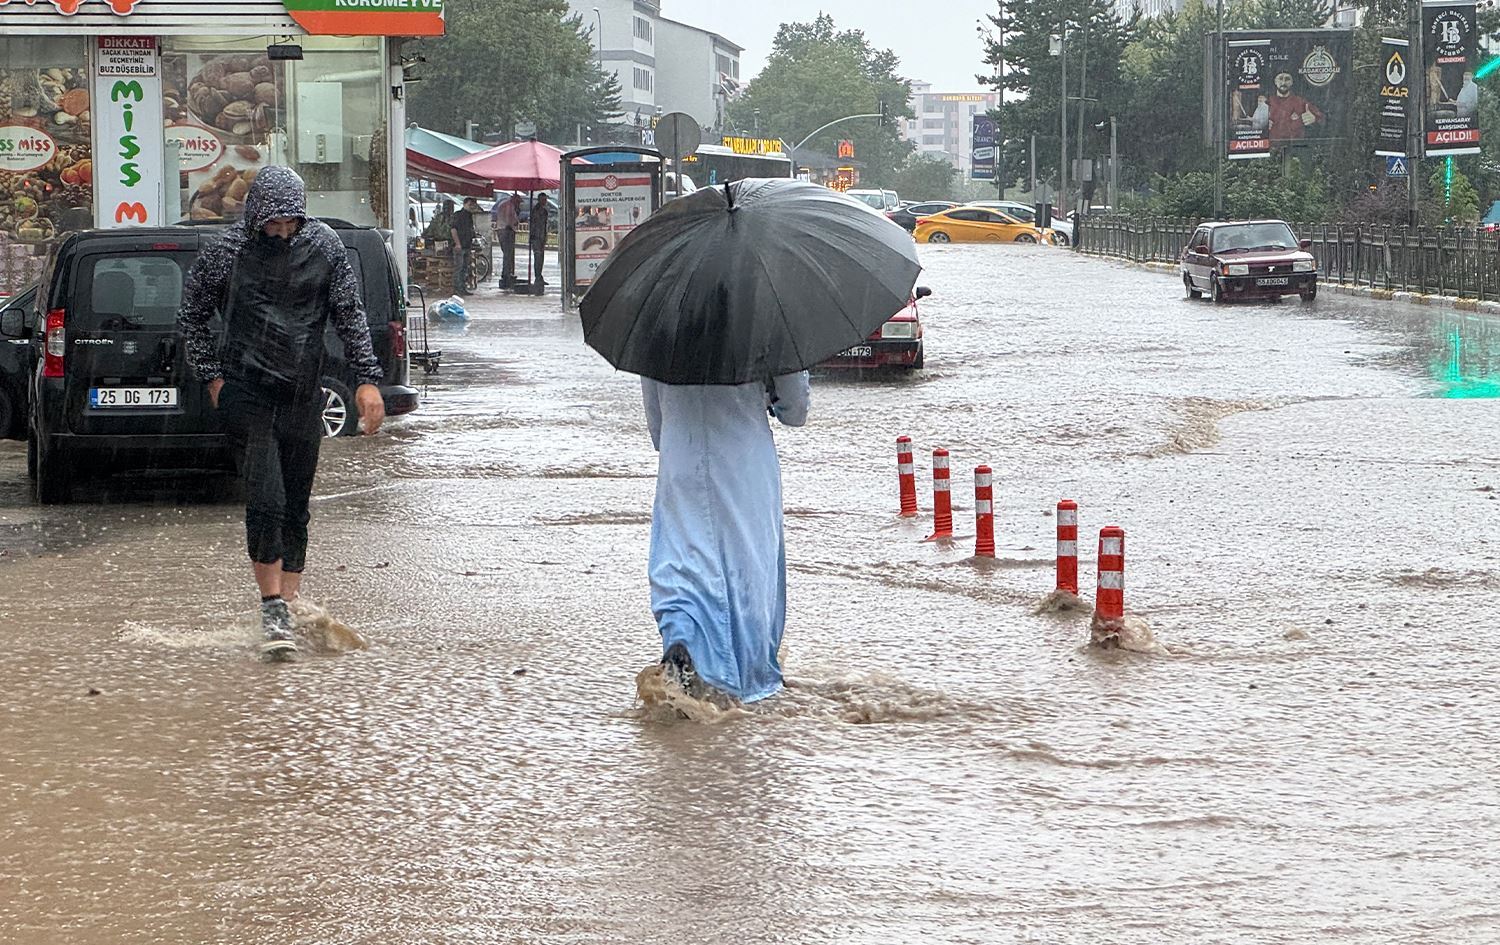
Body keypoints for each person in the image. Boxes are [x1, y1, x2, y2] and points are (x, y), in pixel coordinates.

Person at [178, 166, 386, 661]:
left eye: (291, 221)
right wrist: (213, 379)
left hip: (302, 392)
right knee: (266, 499)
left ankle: (289, 609)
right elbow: (192, 317)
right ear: (255, 215)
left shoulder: (325, 246)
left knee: (296, 504)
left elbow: (349, 314)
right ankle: (271, 604)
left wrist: (366, 379)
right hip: (245, 392)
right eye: (273, 222)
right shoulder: (226, 252)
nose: (282, 230)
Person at [643, 372, 811, 703]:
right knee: (746, 570)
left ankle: (683, 639)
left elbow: (657, 428)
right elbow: (796, 410)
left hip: (682, 458)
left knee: (681, 561)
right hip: (743, 462)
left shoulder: (658, 325)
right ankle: (745, 684)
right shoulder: (764, 322)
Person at [1267, 71, 1324, 141]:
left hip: (1295, 147)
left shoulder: (1301, 102)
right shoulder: (1267, 102)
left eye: (1287, 79)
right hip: (1272, 147)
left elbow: (1322, 118)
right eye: (1280, 79)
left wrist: (1315, 118)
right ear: (1275, 82)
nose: (1283, 83)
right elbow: (1251, 122)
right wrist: (1259, 125)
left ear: (1292, 82)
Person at [491, 192, 522, 289]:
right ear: (515, 200)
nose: (519, 204)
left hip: (502, 230)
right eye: (518, 202)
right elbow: (510, 219)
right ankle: (506, 275)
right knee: (508, 254)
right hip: (507, 230)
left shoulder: (503, 204)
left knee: (507, 254)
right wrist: (515, 223)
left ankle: (507, 273)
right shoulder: (509, 206)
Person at [452, 196, 478, 296]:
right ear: (464, 204)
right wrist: (458, 243)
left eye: (473, 205)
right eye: (470, 204)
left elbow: (470, 230)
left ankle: (462, 288)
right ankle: (457, 289)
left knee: (465, 268)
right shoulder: (459, 215)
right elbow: (453, 229)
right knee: (459, 268)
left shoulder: (469, 216)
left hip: (467, 245)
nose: (472, 207)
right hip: (460, 246)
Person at [530, 192, 550, 295]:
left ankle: (539, 276)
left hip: (541, 237)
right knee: (538, 258)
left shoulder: (544, 211)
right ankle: (538, 277)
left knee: (541, 258)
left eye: (546, 199)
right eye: (543, 199)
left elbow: (544, 225)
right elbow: (535, 225)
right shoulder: (537, 210)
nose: (545, 201)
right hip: (537, 238)